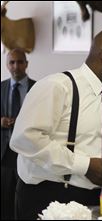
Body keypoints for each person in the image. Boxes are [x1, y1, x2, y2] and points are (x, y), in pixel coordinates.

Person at [10, 27, 102, 220]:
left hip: (95, 199)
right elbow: (25, 138)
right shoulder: (58, 86)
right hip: (50, 199)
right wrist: (83, 165)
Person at [1, 48, 36, 220]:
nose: (16, 66)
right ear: (7, 65)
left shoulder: (37, 88)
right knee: (4, 200)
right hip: (4, 156)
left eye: (20, 62)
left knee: (24, 200)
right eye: (12, 62)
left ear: (26, 64)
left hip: (28, 154)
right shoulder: (1, 87)